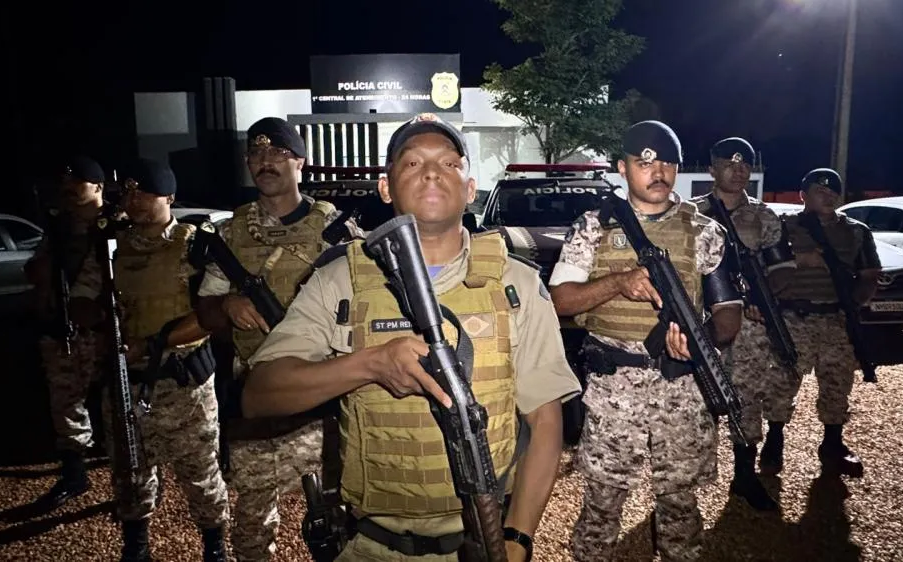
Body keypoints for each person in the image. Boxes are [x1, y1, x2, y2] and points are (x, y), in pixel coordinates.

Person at [241, 112, 581, 562]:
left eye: (448, 163)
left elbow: (545, 420)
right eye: (412, 163)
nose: (432, 172)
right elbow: (259, 395)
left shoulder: (514, 284)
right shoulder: (341, 280)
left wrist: (517, 540)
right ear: (385, 188)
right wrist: (369, 365)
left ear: (470, 187)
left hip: (483, 538)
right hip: (371, 543)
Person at [550, 121, 743, 561]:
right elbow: (560, 301)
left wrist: (700, 342)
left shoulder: (705, 231)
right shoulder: (593, 227)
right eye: (645, 163)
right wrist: (618, 282)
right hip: (613, 390)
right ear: (623, 168)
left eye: (668, 164)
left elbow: (728, 315)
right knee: (601, 506)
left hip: (682, 388)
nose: (658, 174)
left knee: (679, 506)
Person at [195, 116, 362, 562]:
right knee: (251, 528)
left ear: (301, 163)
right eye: (257, 153)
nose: (266, 162)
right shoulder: (229, 235)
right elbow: (205, 309)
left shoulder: (336, 231)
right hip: (254, 399)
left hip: (322, 404)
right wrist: (227, 307)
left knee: (340, 523)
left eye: (279, 154)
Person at [69, 159, 229, 561]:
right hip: (127, 382)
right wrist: (103, 321)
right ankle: (136, 546)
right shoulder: (110, 246)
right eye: (130, 192)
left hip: (183, 386)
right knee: (130, 473)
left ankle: (215, 547)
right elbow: (82, 299)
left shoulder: (195, 245)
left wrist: (150, 343)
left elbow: (209, 315)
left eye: (146, 193)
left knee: (201, 474)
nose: (135, 201)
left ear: (169, 197)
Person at [689, 137, 799, 510]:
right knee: (695, 398)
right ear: (711, 169)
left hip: (750, 328)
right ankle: (682, 487)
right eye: (729, 163)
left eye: (744, 165)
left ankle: (744, 477)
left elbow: (783, 269)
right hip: (701, 322)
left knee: (745, 396)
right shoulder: (690, 214)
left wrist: (760, 299)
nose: (738, 170)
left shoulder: (764, 217)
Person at [771, 168, 880, 478]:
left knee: (837, 384)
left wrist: (853, 303)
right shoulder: (783, 228)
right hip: (794, 317)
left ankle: (832, 443)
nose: (829, 194)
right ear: (803, 195)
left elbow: (869, 275)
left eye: (834, 190)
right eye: (820, 189)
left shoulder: (856, 231)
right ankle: (774, 440)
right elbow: (767, 267)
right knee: (782, 382)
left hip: (836, 318)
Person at [24, 155, 107, 510]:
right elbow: (35, 269)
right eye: (66, 189)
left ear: (99, 188)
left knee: (122, 403)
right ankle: (75, 474)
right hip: (65, 326)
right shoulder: (58, 229)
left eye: (78, 188)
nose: (70, 194)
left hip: (108, 328)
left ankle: (132, 472)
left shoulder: (115, 225)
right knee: (66, 400)